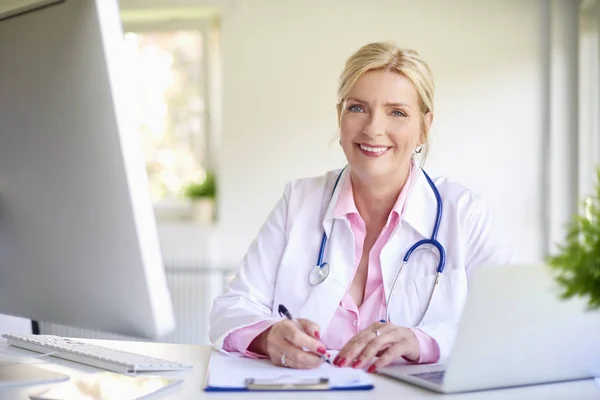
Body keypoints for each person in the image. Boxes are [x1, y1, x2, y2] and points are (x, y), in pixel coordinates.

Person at [209, 41, 512, 373]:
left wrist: (423, 342)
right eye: (357, 108)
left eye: (397, 112)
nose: (373, 128)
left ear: (425, 126)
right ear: (339, 116)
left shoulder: (463, 213)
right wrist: (267, 337)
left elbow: (511, 323)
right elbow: (231, 308)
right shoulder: (298, 201)